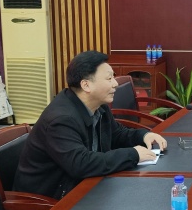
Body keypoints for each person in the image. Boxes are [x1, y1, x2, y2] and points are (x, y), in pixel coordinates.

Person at [14, 51, 166, 200]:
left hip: (85, 187)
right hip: (50, 203)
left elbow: (117, 134)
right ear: (86, 85)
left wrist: (144, 135)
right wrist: (132, 154)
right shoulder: (61, 120)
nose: (115, 84)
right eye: (109, 78)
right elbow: (81, 164)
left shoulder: (98, 105)